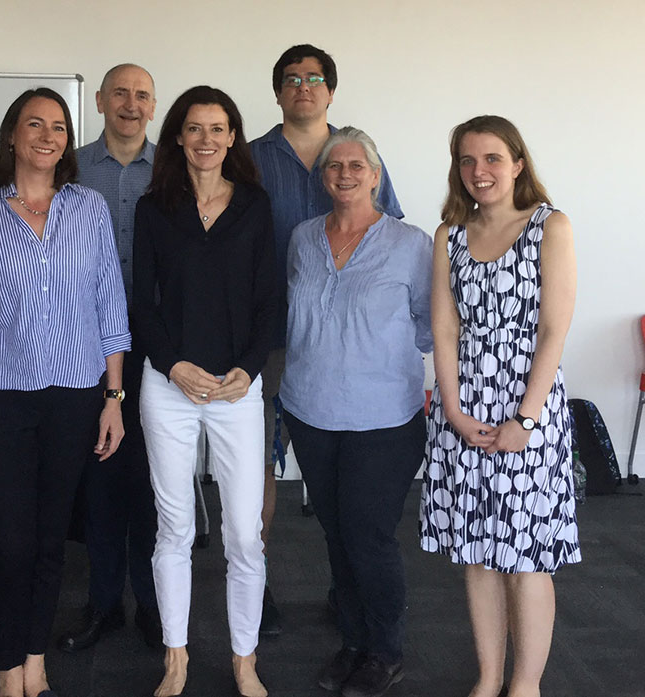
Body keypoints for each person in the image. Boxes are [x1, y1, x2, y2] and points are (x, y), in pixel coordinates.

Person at [0, 88, 130, 697]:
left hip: (74, 396)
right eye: (34, 124)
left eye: (60, 127)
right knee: (10, 545)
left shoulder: (89, 210)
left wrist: (113, 399)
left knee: (48, 543)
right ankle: (5, 670)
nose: (48, 135)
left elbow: (109, 309)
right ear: (11, 136)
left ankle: (34, 664)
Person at [419, 115, 581, 697]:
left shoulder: (549, 226)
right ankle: (488, 678)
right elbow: (444, 330)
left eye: (491, 159)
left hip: (526, 409)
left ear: (517, 163)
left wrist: (526, 420)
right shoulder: (449, 236)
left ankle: (525, 685)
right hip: (464, 411)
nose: (478, 172)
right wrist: (455, 412)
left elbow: (553, 332)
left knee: (527, 555)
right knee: (478, 552)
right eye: (467, 161)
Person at [249, 44, 404, 634]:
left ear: (330, 91)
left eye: (315, 78)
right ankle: (255, 589)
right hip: (270, 339)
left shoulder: (357, 151)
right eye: (291, 78)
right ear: (279, 91)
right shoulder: (252, 157)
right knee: (259, 470)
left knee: (342, 483)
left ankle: (350, 592)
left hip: (349, 353)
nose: (303, 87)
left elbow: (392, 238)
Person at [133, 85, 276, 697]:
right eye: (194, 129)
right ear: (178, 138)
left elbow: (270, 302)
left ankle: (245, 660)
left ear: (233, 138)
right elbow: (140, 304)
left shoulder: (255, 206)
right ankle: (176, 657)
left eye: (218, 129)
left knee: (244, 531)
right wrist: (172, 366)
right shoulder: (153, 208)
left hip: (237, 386)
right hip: (169, 384)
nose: (206, 140)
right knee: (176, 527)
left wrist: (248, 367)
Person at [280, 127, 432, 697]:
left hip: (383, 419)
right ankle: (352, 640)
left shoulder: (411, 243)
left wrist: (371, 353)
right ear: (323, 178)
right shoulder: (301, 237)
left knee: (368, 536)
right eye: (332, 167)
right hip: (311, 410)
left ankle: (385, 650)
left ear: (375, 173)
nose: (343, 174)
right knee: (336, 534)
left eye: (355, 165)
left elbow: (428, 323)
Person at [58, 63, 162, 653]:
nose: (130, 103)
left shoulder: (173, 170)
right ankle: (102, 605)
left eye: (141, 95)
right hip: (83, 343)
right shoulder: (69, 167)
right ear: (98, 101)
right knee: (98, 479)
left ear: (154, 106)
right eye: (119, 92)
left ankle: (150, 604)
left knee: (150, 481)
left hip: (154, 346)